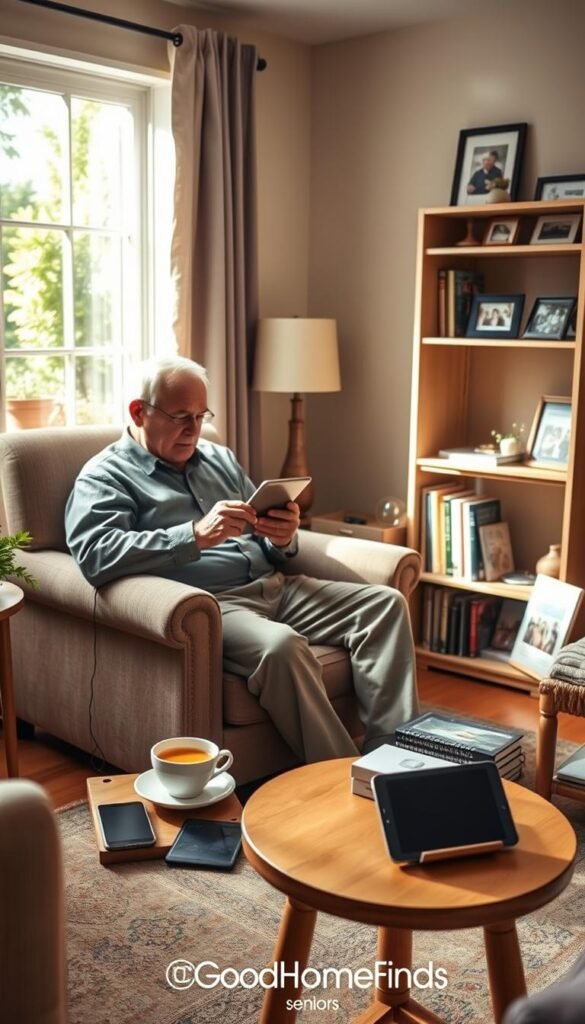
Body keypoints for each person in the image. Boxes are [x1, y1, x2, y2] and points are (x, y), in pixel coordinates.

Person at [65, 356, 418, 764]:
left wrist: (282, 538)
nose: (193, 430)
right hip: (213, 605)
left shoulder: (219, 458)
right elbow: (95, 555)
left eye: (200, 416)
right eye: (181, 416)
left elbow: (264, 532)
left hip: (276, 588)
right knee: (282, 647)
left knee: (385, 604)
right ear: (138, 412)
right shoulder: (106, 475)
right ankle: (339, 776)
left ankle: (396, 759)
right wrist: (193, 536)